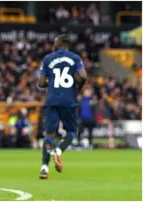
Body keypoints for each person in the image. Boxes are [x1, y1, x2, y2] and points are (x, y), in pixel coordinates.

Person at [37, 34, 87, 179]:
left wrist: (50, 83)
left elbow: (40, 83)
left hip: (52, 100)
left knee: (49, 134)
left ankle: (44, 169)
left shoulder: (48, 59)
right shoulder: (75, 58)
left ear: (58, 44)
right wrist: (78, 88)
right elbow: (83, 77)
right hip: (68, 100)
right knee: (71, 132)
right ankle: (58, 151)